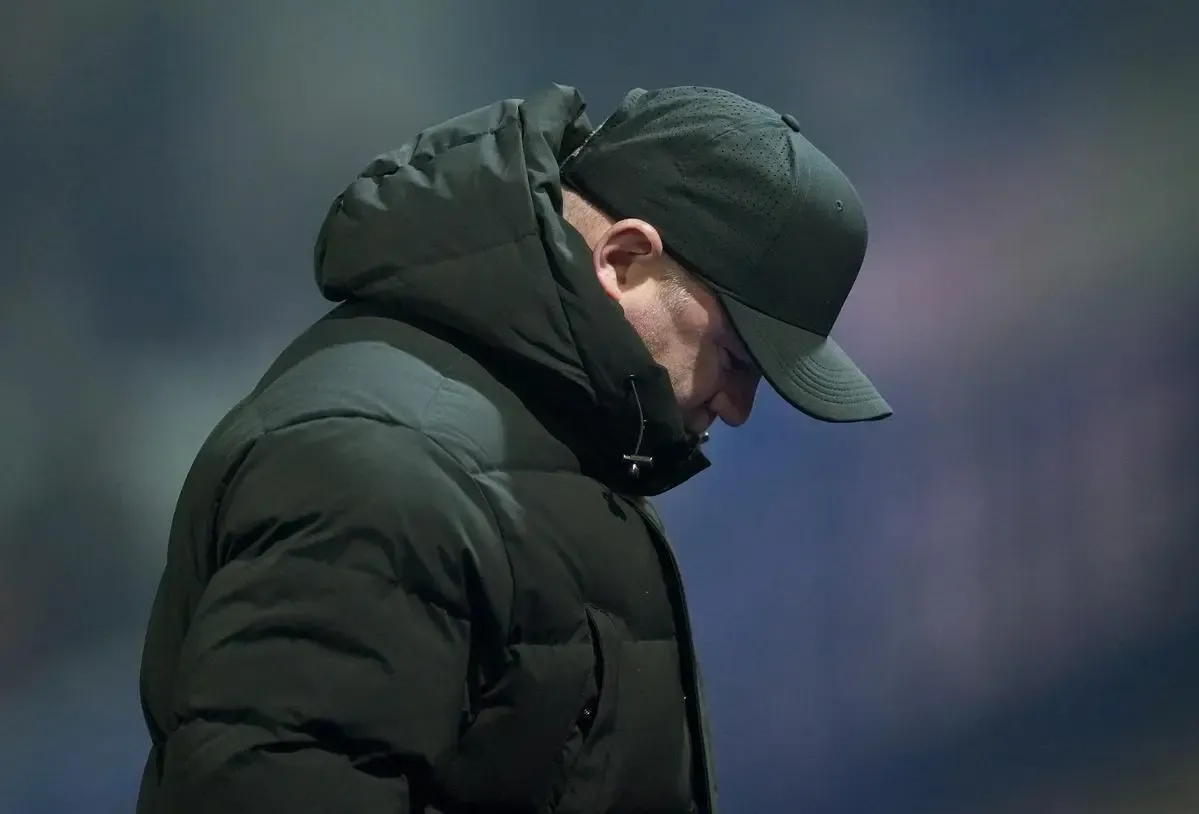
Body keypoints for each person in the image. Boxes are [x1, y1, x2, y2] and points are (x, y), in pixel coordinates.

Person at [135, 83, 892, 814]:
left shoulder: (539, 448)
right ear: (625, 260)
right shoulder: (382, 471)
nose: (737, 409)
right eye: (734, 358)